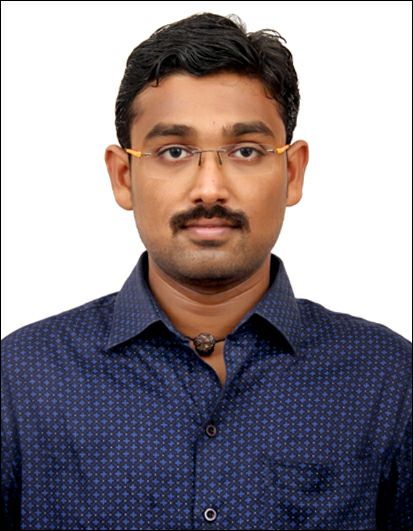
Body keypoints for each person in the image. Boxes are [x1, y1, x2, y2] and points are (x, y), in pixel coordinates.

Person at [1, 12, 411, 531]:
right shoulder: (21, 380)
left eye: (246, 151)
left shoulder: (388, 378)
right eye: (174, 151)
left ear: (292, 172)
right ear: (124, 176)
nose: (210, 189)